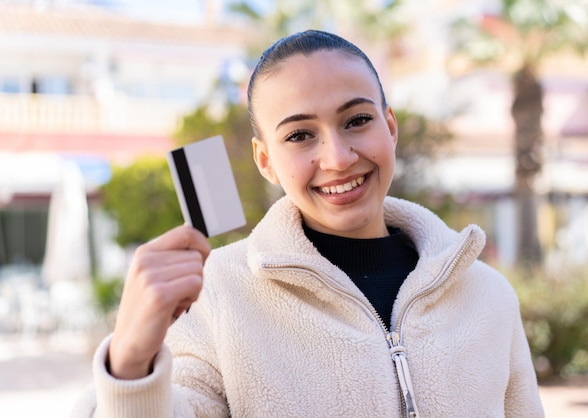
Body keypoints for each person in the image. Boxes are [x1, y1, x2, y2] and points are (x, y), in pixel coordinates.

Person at [72, 30, 544, 417]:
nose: (337, 158)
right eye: (299, 135)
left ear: (390, 127)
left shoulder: (488, 295)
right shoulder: (217, 292)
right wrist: (131, 365)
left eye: (357, 120)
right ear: (266, 161)